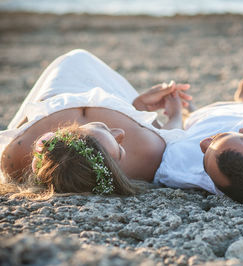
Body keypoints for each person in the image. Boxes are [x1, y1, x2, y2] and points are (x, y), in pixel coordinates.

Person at [0, 49, 191, 197]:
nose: (120, 133)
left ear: (69, 132)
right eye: (120, 151)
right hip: (112, 91)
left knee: (75, 58)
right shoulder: (148, 153)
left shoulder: (15, 155)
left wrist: (140, 106)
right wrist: (168, 112)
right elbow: (173, 138)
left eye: (102, 126)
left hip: (61, 79)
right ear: (113, 171)